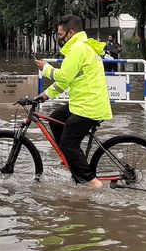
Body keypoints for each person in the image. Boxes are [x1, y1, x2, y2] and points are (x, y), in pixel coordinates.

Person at [34, 15, 113, 190]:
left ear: (70, 32)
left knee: (68, 144)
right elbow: (65, 82)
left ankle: (93, 183)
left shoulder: (78, 49)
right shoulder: (80, 47)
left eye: (60, 35)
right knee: (55, 118)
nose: (59, 38)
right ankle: (72, 162)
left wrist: (45, 68)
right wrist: (45, 95)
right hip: (83, 103)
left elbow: (63, 76)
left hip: (89, 106)